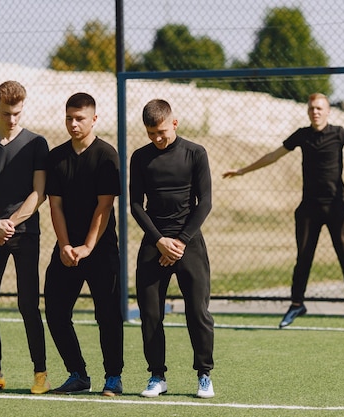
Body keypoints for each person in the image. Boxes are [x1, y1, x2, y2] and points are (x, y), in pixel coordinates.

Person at [223, 93, 344, 329]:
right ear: (308, 111)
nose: (316, 112)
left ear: (328, 111)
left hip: (336, 208)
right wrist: (242, 170)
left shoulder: (340, 133)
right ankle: (296, 304)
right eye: (312, 108)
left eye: (320, 108)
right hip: (308, 209)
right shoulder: (302, 136)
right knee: (303, 259)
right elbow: (273, 156)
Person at [0, 80, 50, 394]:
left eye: (17, 112)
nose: (12, 119)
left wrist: (10, 224)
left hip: (25, 233)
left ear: (22, 108)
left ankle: (40, 373)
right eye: (6, 113)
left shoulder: (36, 144)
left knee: (28, 304)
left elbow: (39, 192)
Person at [130, 99, 215, 399]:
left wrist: (180, 241)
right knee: (150, 313)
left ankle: (204, 374)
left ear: (174, 123)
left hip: (188, 243)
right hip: (155, 243)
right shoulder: (140, 157)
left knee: (197, 311)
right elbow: (136, 205)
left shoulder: (195, 153)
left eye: (162, 131)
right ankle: (157, 376)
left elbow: (204, 202)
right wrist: (159, 241)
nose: (157, 138)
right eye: (151, 133)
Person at [44, 92, 124, 397]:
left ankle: (113, 376)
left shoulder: (107, 155)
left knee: (108, 314)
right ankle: (77, 373)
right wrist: (65, 246)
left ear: (94, 119)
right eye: (69, 118)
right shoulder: (56, 157)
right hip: (67, 249)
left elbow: (104, 207)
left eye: (80, 118)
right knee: (54, 310)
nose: (73, 124)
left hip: (101, 249)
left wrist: (88, 247)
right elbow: (55, 206)